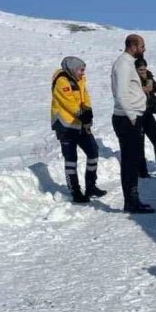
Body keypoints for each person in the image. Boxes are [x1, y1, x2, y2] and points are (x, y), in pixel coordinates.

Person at [51, 56, 107, 203]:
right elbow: (68, 101)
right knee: (71, 159)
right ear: (73, 69)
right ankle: (75, 191)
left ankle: (90, 186)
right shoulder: (62, 80)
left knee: (93, 151)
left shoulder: (80, 79)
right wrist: (81, 114)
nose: (83, 73)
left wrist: (88, 110)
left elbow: (85, 96)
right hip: (65, 126)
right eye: (81, 70)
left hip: (80, 124)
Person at [111, 34, 155, 213]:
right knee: (129, 162)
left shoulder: (129, 63)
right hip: (126, 118)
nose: (144, 49)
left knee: (134, 160)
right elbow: (121, 94)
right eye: (142, 46)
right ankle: (130, 202)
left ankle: (134, 199)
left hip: (133, 116)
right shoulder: (123, 64)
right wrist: (131, 116)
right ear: (133, 46)